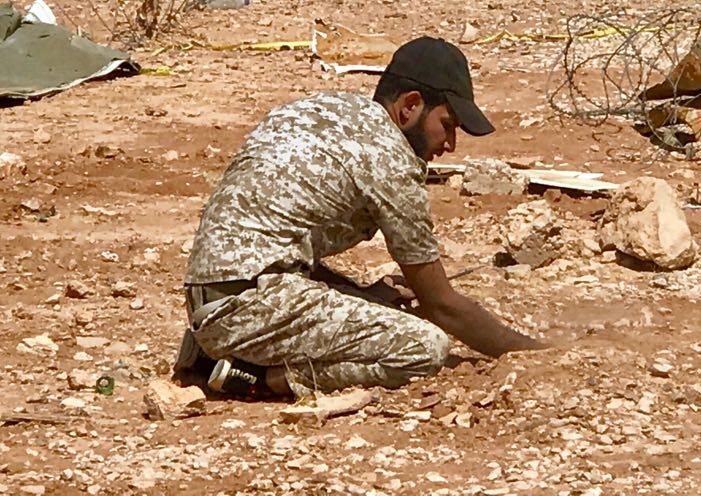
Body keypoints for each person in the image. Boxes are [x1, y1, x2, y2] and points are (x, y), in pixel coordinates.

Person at [173, 36, 545, 398]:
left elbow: (280, 247)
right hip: (248, 307)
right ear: (410, 106)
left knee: (377, 305)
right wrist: (535, 353)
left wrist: (363, 295)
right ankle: (258, 377)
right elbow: (441, 305)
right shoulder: (391, 159)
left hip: (213, 297)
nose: (449, 145)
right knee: (424, 348)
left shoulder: (320, 111)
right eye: (447, 124)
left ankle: (219, 349)